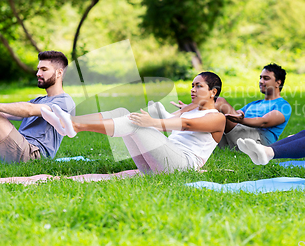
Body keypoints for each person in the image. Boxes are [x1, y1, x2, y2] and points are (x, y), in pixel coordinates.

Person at [41, 72, 226, 173]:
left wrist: (152, 122)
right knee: (124, 113)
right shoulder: (190, 110)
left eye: (198, 86)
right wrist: (187, 108)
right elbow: (175, 119)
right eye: (192, 85)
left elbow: (187, 125)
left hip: (182, 166)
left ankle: (75, 127)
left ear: (213, 92)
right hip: (158, 164)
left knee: (135, 123)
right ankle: (69, 121)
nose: (193, 89)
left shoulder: (217, 118)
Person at [167, 63, 291, 151]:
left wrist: (241, 120)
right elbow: (234, 114)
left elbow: (264, 122)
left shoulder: (283, 106)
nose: (261, 81)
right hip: (239, 134)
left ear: (278, 82)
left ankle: (174, 118)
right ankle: (179, 132)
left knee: (220, 102)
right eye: (260, 78)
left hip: (259, 141)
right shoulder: (254, 104)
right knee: (216, 116)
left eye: (266, 78)